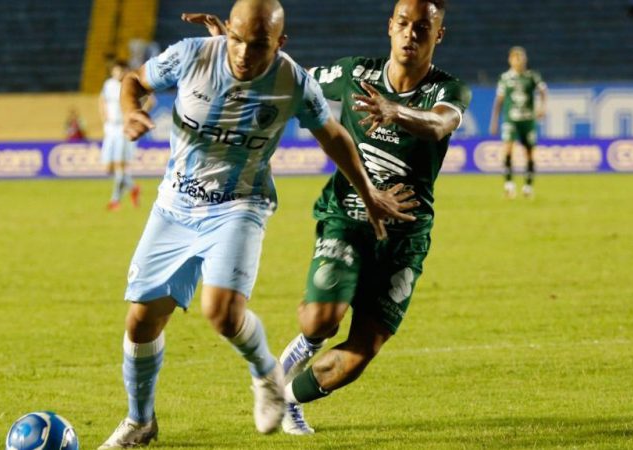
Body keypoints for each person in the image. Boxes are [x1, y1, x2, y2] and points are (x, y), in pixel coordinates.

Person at [97, 1, 419, 448]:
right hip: (174, 206)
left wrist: (369, 193)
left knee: (222, 313)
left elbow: (334, 136)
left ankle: (267, 374)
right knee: (140, 322)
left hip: (239, 205)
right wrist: (133, 110)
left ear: (280, 43)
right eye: (237, 39)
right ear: (226, 31)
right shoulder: (192, 54)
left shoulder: (290, 81)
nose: (245, 53)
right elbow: (134, 81)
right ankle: (140, 421)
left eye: (259, 44)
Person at [186, 0, 471, 436]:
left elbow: (439, 124)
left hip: (406, 236)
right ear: (389, 27)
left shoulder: (448, 89)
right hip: (348, 216)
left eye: (422, 28)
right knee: (319, 321)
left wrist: (398, 112)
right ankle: (295, 354)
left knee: (361, 353)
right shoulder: (356, 74)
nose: (411, 35)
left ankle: (289, 396)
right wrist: (231, 48)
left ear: (439, 35)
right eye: (403, 24)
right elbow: (291, 78)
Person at [489, 46, 547, 199]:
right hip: (511, 120)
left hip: (528, 120)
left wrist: (542, 108)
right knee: (507, 150)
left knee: (529, 154)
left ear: (525, 59)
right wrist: (494, 121)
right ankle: (509, 186)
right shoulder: (505, 78)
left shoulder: (532, 76)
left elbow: (543, 91)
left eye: (520, 57)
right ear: (510, 60)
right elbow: (499, 100)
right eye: (515, 58)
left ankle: (528, 187)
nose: (518, 61)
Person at [99, 60, 153, 210]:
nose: (119, 73)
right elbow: (102, 100)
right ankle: (133, 188)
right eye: (116, 71)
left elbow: (151, 100)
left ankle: (115, 200)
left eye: (121, 70)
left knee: (119, 165)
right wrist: (104, 117)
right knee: (107, 168)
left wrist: (138, 115)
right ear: (112, 72)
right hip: (110, 128)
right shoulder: (108, 85)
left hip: (125, 127)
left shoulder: (131, 84)